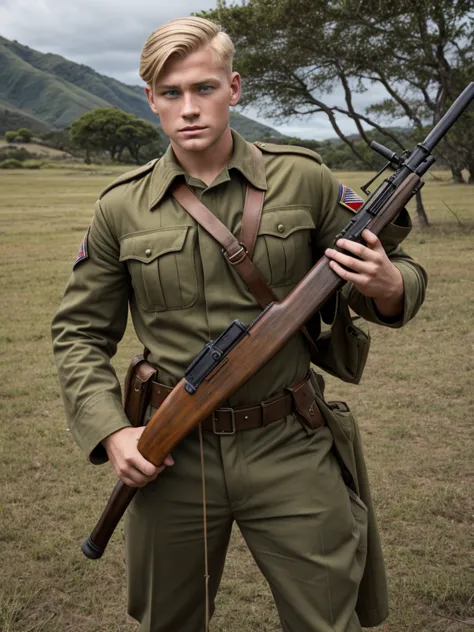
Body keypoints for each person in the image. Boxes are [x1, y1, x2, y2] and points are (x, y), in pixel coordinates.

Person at [51, 16, 427, 632]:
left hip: (290, 440)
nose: (189, 108)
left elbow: (395, 271)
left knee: (326, 618)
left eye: (204, 88)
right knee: (170, 621)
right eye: (170, 93)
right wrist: (112, 432)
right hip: (173, 453)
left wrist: (388, 286)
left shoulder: (302, 177)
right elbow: (79, 333)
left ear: (235, 88)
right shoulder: (120, 207)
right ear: (150, 99)